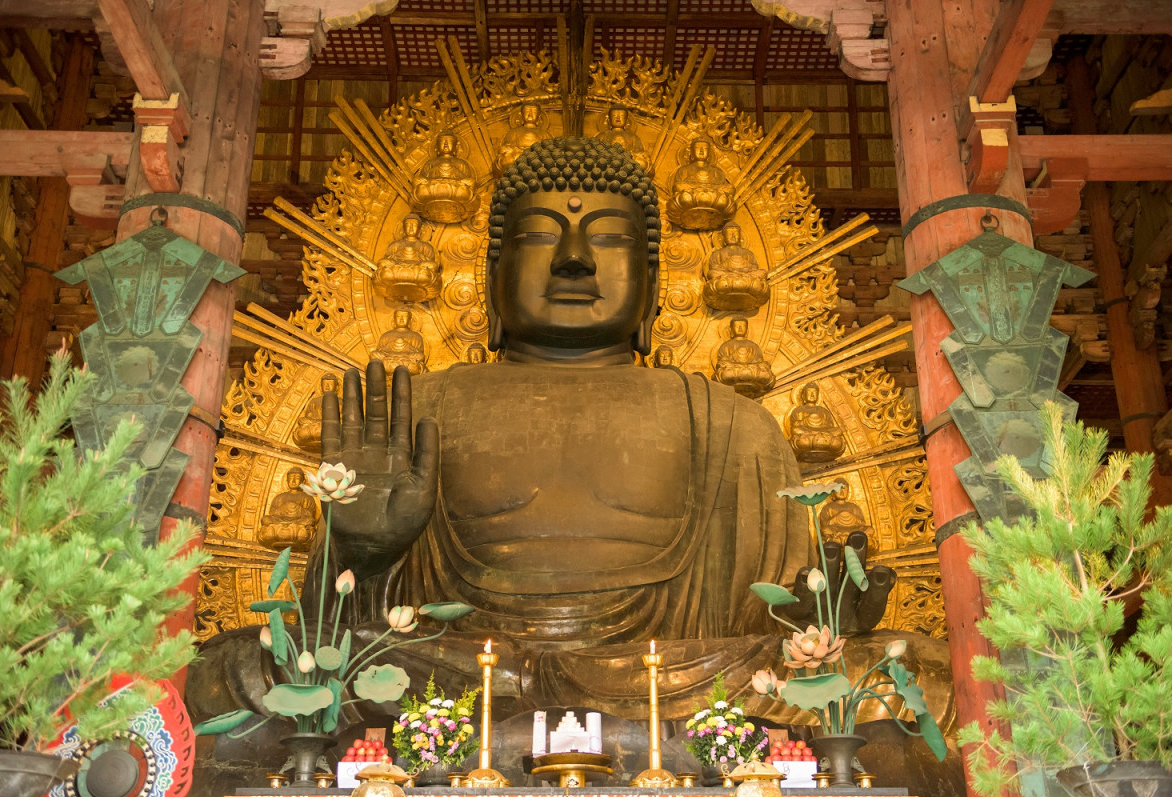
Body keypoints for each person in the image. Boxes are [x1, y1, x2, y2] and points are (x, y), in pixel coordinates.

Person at [189, 138, 912, 724]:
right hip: (449, 674)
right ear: (492, 276)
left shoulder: (733, 423)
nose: (573, 259)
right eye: (541, 236)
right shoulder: (419, 411)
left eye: (607, 239)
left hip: (677, 681)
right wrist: (361, 552)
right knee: (233, 675)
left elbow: (771, 631)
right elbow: (331, 637)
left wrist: (820, 620)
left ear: (653, 286)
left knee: (896, 672)